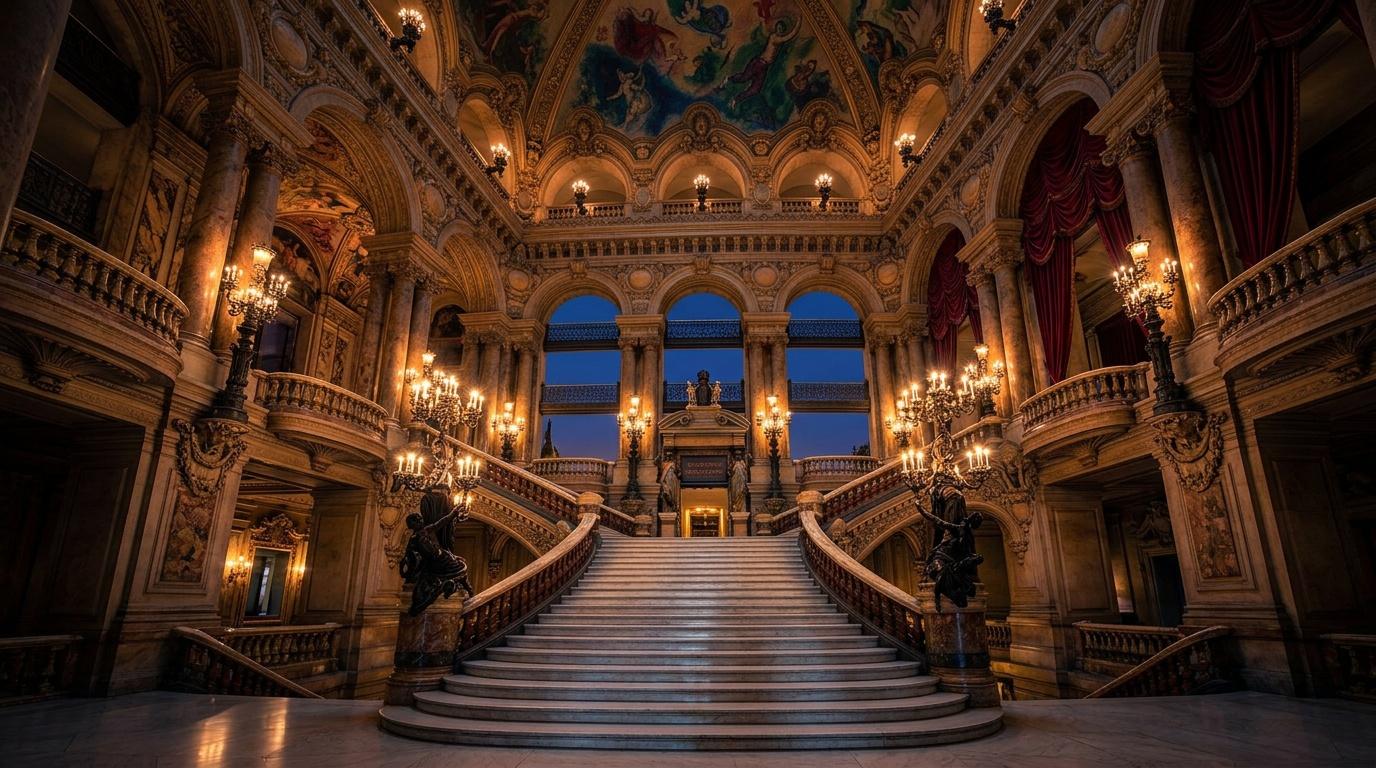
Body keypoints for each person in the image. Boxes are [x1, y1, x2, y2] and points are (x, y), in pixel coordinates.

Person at [719, 17, 799, 109]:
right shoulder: (774, 37)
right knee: (743, 78)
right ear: (776, 29)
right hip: (758, 63)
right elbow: (790, 36)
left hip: (764, 67)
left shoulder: (779, 41)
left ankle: (735, 100)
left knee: (755, 90)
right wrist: (798, 23)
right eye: (778, 28)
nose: (779, 30)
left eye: (781, 29)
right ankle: (728, 79)